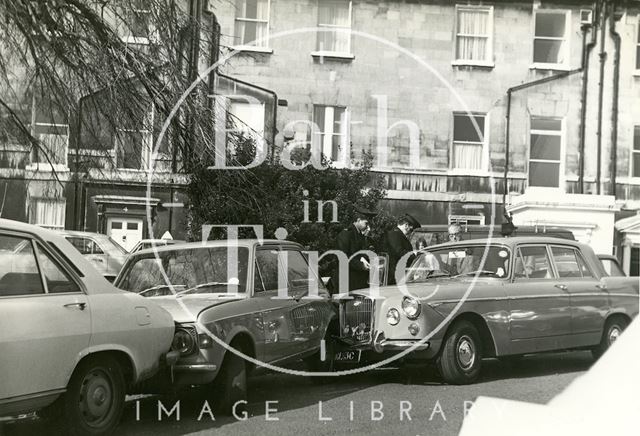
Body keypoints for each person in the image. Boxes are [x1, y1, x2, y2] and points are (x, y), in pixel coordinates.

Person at [328, 206, 377, 293]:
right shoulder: (346, 234)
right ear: (358, 220)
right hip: (347, 282)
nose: (367, 227)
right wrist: (361, 265)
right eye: (366, 223)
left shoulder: (359, 235)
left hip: (356, 281)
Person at [383, 214, 421, 285]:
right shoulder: (394, 234)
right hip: (395, 275)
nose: (411, 232)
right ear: (406, 225)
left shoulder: (397, 234)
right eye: (411, 229)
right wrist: (413, 254)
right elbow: (399, 252)